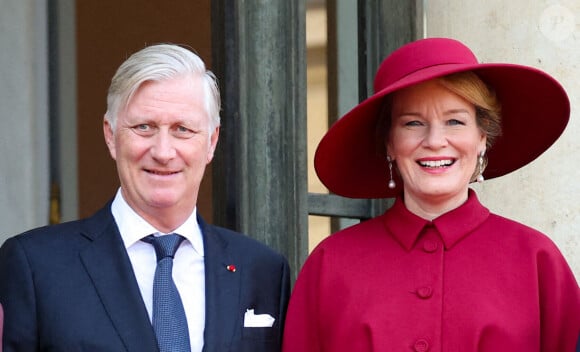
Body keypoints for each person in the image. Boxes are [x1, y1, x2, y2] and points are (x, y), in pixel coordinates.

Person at [282, 37, 580, 351]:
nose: (435, 140)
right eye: (413, 123)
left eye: (454, 121)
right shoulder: (331, 264)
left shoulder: (537, 260)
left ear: (482, 137)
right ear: (390, 143)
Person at [0, 44, 290, 352]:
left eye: (183, 129)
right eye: (144, 127)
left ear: (211, 141)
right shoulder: (35, 265)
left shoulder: (263, 270)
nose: (163, 152)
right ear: (111, 136)